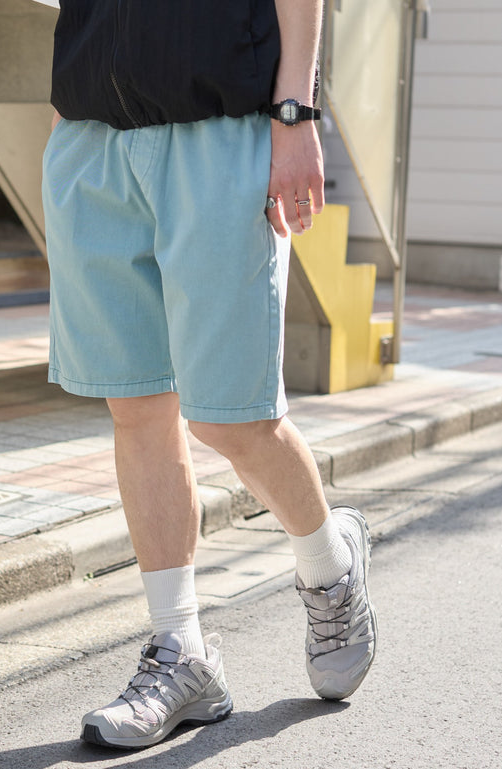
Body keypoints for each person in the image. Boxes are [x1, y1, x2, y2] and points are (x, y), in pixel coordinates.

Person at [37, 0, 377, 750]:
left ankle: (330, 565)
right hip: (92, 136)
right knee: (136, 408)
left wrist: (295, 113)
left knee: (233, 417)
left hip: (222, 129)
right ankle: (181, 651)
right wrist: (64, 116)